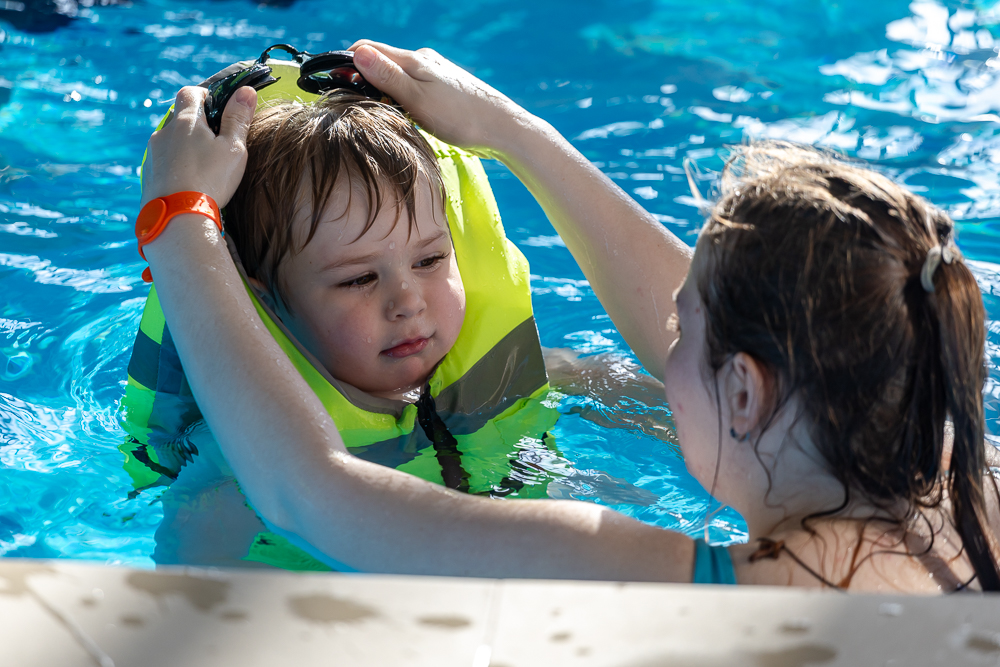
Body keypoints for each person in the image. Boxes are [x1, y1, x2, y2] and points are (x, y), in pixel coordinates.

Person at [134, 40, 1000, 591]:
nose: (659, 337)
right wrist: (509, 129)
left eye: (678, 334)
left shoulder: (683, 582)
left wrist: (179, 221)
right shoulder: (974, 488)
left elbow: (310, 491)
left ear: (745, 392)